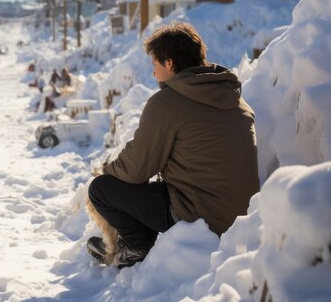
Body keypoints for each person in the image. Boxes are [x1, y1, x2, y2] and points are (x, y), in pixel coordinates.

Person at [86, 22, 259, 268]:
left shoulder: (168, 103)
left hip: (200, 219)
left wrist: (107, 170)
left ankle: (137, 246)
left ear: (169, 63)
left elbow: (137, 169)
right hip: (243, 218)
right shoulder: (237, 101)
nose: (154, 73)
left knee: (101, 189)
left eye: (155, 64)